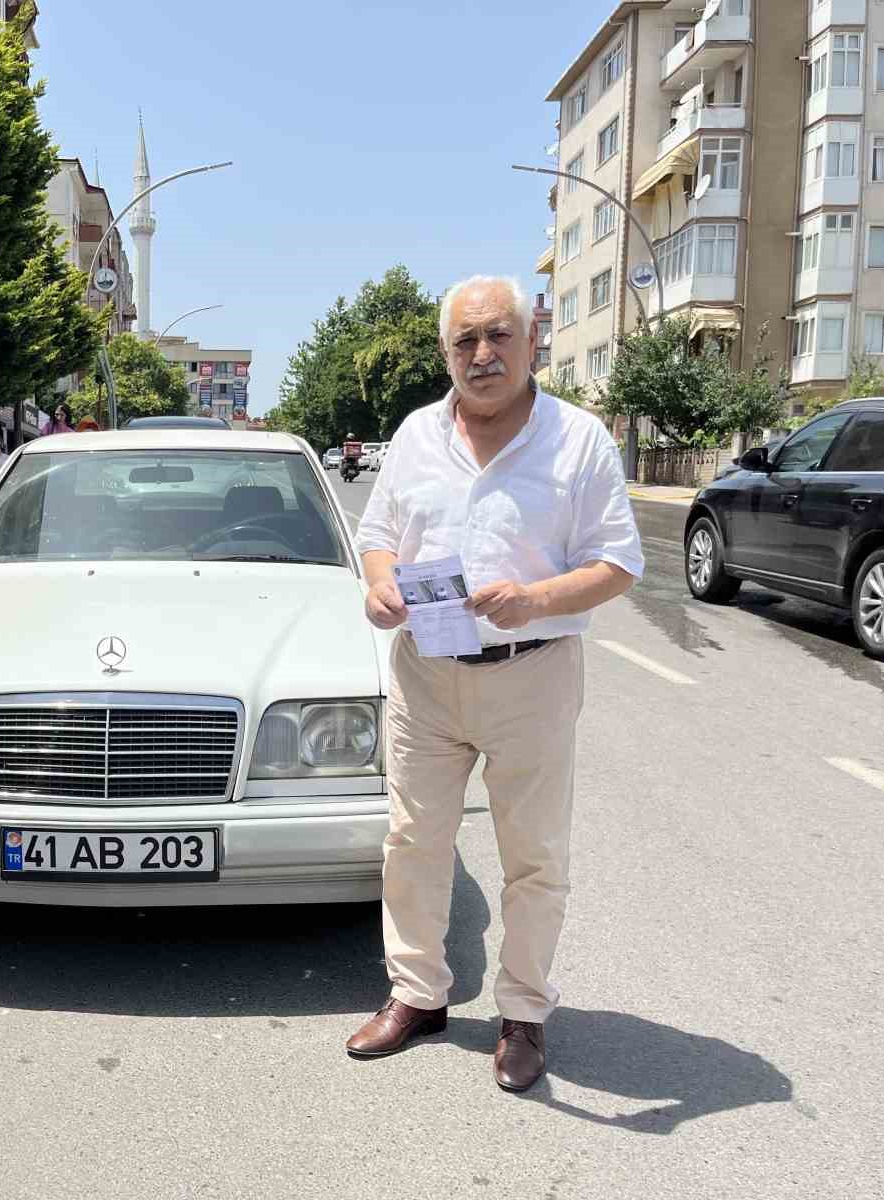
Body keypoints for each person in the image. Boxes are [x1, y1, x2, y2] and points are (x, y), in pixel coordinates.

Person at [347, 275, 644, 1092]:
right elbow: (379, 536)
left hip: (532, 677)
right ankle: (418, 995)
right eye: (465, 341)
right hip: (426, 674)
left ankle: (523, 1014)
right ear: (446, 353)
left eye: (497, 336)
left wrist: (536, 600)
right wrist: (379, 586)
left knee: (534, 856)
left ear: (531, 340)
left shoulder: (579, 440)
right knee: (413, 841)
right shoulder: (413, 435)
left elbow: (619, 563)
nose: (482, 355)